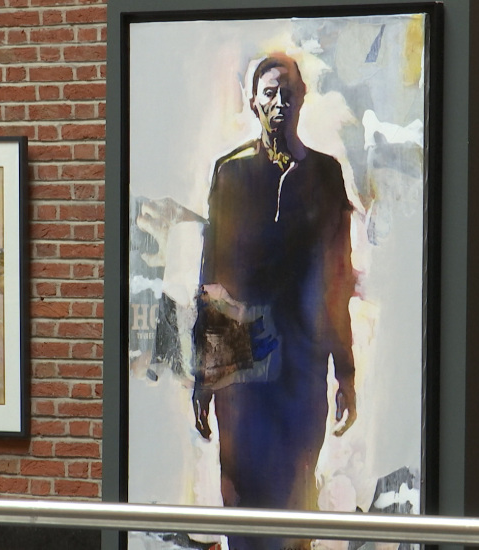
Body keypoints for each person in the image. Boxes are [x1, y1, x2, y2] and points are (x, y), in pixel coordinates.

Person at [142, 53, 357, 550]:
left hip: (303, 368)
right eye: (269, 93)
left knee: (297, 502)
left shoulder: (325, 177)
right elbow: (211, 280)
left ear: (302, 99)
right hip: (241, 371)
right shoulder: (230, 174)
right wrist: (203, 377)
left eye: (289, 92)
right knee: (241, 504)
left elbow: (337, 281)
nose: (280, 102)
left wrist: (345, 370)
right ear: (253, 103)